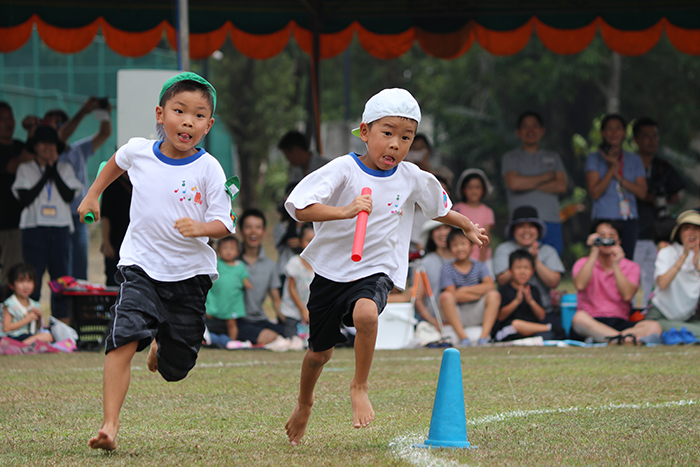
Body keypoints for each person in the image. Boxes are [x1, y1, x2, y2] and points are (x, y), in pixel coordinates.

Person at [283, 88, 488, 445]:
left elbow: (437, 208)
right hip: (331, 274)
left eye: (405, 137)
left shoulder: (411, 177)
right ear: (365, 132)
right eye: (387, 133)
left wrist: (465, 224)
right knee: (319, 354)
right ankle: (304, 403)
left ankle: (359, 386)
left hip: (375, 269)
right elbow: (300, 207)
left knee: (366, 315)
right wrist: (345, 210)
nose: (395, 144)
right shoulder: (344, 169)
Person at [77, 72, 235, 451]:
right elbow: (114, 162)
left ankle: (161, 346)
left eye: (198, 116)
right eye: (179, 111)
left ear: (208, 125)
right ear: (160, 115)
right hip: (140, 268)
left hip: (189, 276)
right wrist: (93, 195)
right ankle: (109, 426)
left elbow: (224, 223)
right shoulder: (140, 151)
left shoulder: (208, 169)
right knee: (122, 336)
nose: (187, 121)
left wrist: (200, 228)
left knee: (176, 369)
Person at [28, 98, 113, 279]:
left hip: (80, 215)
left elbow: (104, 133)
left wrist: (104, 114)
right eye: (51, 123)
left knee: (79, 269)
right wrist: (83, 111)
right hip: (58, 218)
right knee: (60, 272)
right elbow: (60, 137)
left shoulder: (78, 150)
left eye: (59, 123)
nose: (56, 127)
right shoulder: (49, 152)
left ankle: (78, 306)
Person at [11, 126, 82, 322]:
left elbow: (69, 195)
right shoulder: (26, 168)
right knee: (32, 276)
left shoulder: (65, 168)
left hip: (60, 228)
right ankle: (31, 322)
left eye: (51, 144)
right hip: (34, 228)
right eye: (43, 143)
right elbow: (25, 198)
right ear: (35, 146)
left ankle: (60, 322)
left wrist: (53, 169)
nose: (47, 147)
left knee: (60, 277)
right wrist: (46, 174)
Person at [570, 220, 661, 344]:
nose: (606, 240)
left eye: (611, 237)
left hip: (619, 321)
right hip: (591, 320)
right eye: (601, 237)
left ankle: (609, 339)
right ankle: (624, 339)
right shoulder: (582, 263)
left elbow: (627, 295)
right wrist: (594, 251)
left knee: (654, 326)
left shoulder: (631, 267)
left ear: (619, 241)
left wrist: (616, 265)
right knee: (579, 318)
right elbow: (580, 284)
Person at [632, 117, 685, 308]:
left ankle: (652, 310)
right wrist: (643, 196)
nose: (652, 140)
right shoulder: (628, 163)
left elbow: (678, 194)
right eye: (646, 136)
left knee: (654, 274)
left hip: (658, 230)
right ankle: (632, 312)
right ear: (636, 139)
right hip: (634, 229)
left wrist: (661, 200)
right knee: (633, 275)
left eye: (655, 136)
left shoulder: (663, 166)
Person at [502, 111, 568, 255]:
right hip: (520, 224)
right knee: (520, 268)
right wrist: (547, 176)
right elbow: (514, 184)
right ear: (518, 132)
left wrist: (526, 182)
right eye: (525, 126)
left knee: (551, 266)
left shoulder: (553, 157)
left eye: (535, 126)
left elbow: (561, 186)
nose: (530, 130)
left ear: (542, 131)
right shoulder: (510, 157)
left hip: (550, 220)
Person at [585, 113, 647, 260]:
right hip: (603, 218)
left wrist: (620, 179)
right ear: (602, 133)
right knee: (603, 261)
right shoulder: (594, 158)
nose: (613, 133)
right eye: (609, 129)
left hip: (628, 219)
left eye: (618, 128)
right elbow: (594, 192)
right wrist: (612, 168)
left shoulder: (634, 159)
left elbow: (642, 192)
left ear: (624, 132)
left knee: (626, 260)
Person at [493, 206, 564, 322]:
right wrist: (523, 261)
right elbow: (502, 280)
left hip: (542, 311)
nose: (526, 231)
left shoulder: (548, 251)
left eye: (531, 226)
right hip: (511, 313)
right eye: (521, 226)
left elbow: (554, 282)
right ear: (513, 230)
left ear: (538, 230)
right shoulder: (504, 249)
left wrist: (534, 260)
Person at [439, 228, 500, 346]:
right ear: (450, 249)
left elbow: (490, 286)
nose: (459, 248)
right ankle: (463, 338)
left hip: (477, 311)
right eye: (455, 245)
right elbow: (452, 295)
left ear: (472, 246)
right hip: (458, 313)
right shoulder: (447, 268)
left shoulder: (480, 266)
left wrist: (464, 290)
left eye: (463, 244)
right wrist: (479, 291)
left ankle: (483, 338)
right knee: (445, 297)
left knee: (494, 295)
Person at [646, 210, 700, 341]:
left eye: (696, 228)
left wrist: (697, 266)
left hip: (688, 318)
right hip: (660, 316)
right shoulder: (667, 252)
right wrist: (683, 257)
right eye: (687, 228)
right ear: (678, 232)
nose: (691, 233)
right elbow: (662, 284)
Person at [237, 208, 285, 345]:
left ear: (264, 233)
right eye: (248, 227)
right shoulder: (232, 263)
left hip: (260, 320)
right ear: (241, 232)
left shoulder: (270, 265)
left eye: (258, 227)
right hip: (238, 321)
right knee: (270, 336)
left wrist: (289, 323)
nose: (253, 232)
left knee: (285, 333)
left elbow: (276, 300)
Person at [0, 102, 33, 294]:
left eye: (9, 117)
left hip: (14, 223)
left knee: (11, 274)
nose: (8, 122)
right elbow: (14, 165)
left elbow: (30, 158)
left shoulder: (19, 146)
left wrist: (32, 132)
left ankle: (8, 317)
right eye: (2, 118)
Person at [492, 250, 558, 342]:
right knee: (516, 324)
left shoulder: (533, 290)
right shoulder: (504, 290)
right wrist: (516, 301)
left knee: (547, 336)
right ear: (510, 270)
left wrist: (531, 301)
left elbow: (541, 316)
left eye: (526, 268)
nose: (522, 272)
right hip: (510, 329)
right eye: (518, 268)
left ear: (532, 271)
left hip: (532, 330)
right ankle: (549, 327)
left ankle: (545, 330)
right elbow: (500, 316)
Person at [205, 236, 252, 343]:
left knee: (232, 323)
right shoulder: (216, 263)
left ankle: (232, 341)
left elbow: (244, 277)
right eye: (225, 248)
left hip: (232, 303)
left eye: (232, 248)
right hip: (216, 300)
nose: (228, 251)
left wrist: (247, 283)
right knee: (208, 318)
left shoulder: (240, 266)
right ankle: (209, 338)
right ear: (219, 250)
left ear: (237, 251)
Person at [414, 220, 454, 328]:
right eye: (437, 229)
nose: (443, 233)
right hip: (435, 324)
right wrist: (434, 323)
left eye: (446, 227)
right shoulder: (423, 263)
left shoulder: (464, 259)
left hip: (465, 321)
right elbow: (418, 300)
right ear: (431, 235)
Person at [1, 263, 53, 345]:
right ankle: (21, 346)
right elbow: (6, 328)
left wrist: (39, 318)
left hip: (27, 336)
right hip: (12, 336)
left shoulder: (34, 304)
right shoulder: (10, 304)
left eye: (29, 281)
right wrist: (26, 320)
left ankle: (22, 346)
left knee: (47, 336)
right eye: (21, 282)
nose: (25, 286)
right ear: (12, 285)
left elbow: (38, 329)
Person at [453, 168, 495, 265]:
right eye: (469, 187)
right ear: (463, 189)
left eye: (477, 187)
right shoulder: (457, 208)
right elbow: (454, 235)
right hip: (460, 256)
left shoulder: (488, 211)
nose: (473, 191)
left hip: (482, 258)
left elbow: (486, 237)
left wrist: (482, 262)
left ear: (483, 189)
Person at [280, 223, 315, 339]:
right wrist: (302, 310)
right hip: (294, 312)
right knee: (294, 341)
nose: (311, 244)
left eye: (315, 240)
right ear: (300, 242)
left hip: (312, 313)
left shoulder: (321, 266)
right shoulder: (294, 263)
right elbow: (291, 289)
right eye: (308, 240)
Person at [100, 172, 132, 286]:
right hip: (116, 240)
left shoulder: (140, 181)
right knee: (114, 279)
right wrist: (106, 243)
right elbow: (105, 217)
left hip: (135, 241)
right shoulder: (112, 184)